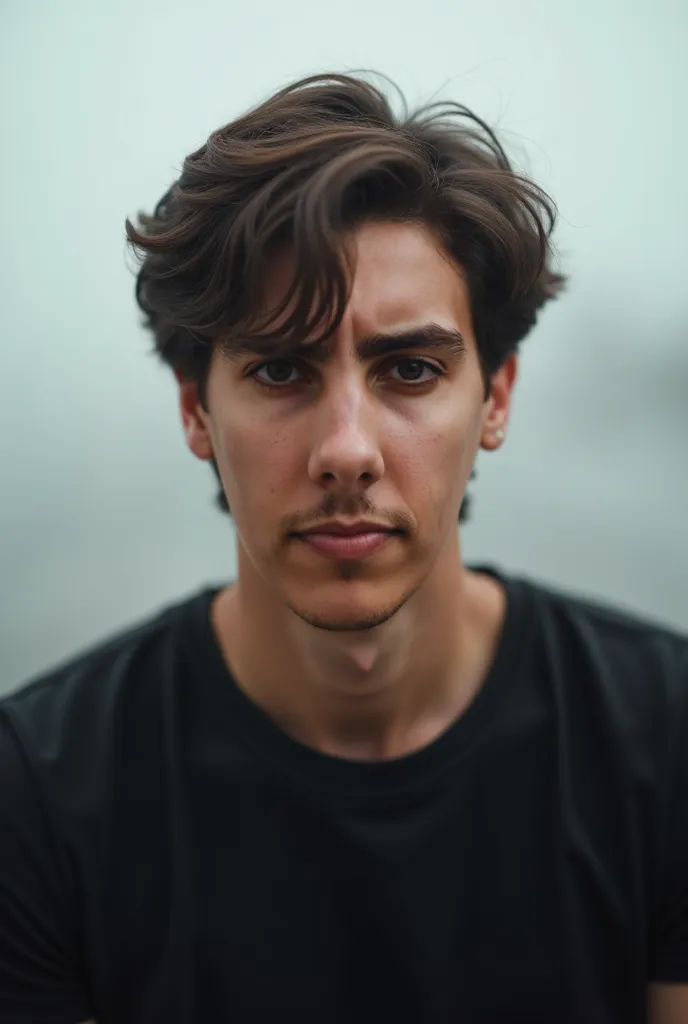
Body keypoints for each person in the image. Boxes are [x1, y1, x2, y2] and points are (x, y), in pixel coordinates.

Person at [0, 72, 686, 1024]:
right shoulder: (36, 795)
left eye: (409, 368)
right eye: (281, 368)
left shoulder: (665, 740)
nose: (347, 451)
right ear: (197, 409)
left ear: (495, 398)